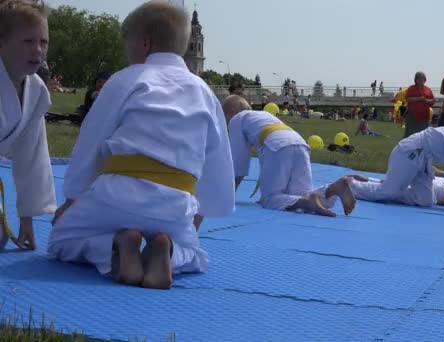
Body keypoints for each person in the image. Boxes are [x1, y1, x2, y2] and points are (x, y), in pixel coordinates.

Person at [48, 1, 235, 289]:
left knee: (61, 240)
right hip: (175, 203)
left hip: (117, 194)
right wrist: (191, 225)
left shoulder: (125, 80)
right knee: (196, 256)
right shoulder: (205, 93)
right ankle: (169, 251)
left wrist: (72, 199)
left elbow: (91, 141)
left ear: (144, 42)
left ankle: (116, 246)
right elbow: (217, 163)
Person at [223, 95, 356, 217]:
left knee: (271, 199)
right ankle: (333, 189)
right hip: (300, 144)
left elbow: (239, 161)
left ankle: (309, 203)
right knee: (300, 195)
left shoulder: (236, 119)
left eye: (225, 119)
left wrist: (228, 195)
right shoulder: (264, 115)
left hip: (277, 146)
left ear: (233, 112)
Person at [343, 122, 444, 213]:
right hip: (410, 153)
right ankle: (350, 186)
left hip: (423, 162)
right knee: (389, 192)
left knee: (426, 200)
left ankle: (378, 182)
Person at [0, 0, 56, 252]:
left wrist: (27, 219)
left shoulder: (37, 91)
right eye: (28, 41)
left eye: (43, 42)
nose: (38, 50)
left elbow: (33, 157)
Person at [404, 72, 435, 138]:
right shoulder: (411, 88)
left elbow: (432, 101)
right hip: (412, 115)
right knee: (410, 133)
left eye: (422, 78)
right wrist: (419, 98)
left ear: (425, 79)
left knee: (422, 134)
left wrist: (428, 101)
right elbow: (408, 99)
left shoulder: (428, 89)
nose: (421, 79)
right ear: (416, 79)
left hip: (424, 116)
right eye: (419, 78)